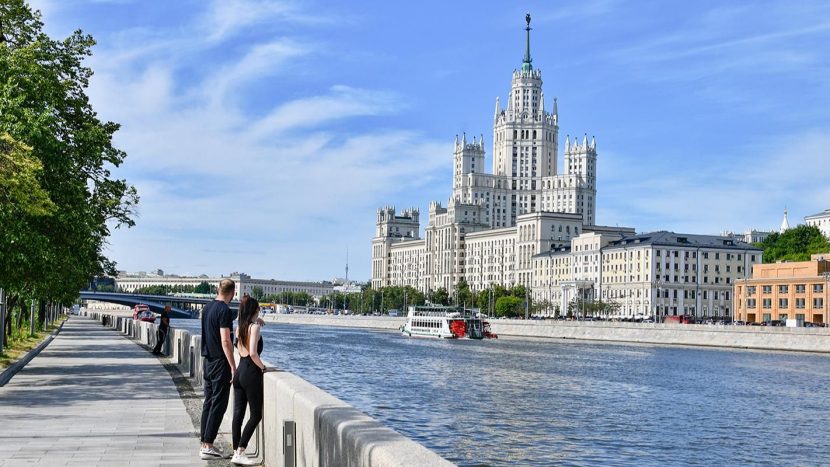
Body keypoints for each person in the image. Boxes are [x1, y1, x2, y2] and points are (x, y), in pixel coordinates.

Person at [199, 279, 236, 460]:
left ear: (217, 289)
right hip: (220, 362)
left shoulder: (207, 308)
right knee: (219, 404)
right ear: (233, 292)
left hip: (207, 361)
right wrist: (233, 365)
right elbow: (225, 340)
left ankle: (204, 442)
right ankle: (208, 445)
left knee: (208, 401)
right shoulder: (225, 311)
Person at [230, 296, 267, 466]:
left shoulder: (239, 328)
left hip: (239, 371)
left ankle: (235, 449)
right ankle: (241, 451)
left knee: (238, 414)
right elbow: (253, 353)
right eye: (258, 308)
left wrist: (255, 319)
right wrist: (263, 367)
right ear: (255, 310)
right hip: (251, 373)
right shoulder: (254, 328)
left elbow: (242, 349)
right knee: (256, 414)